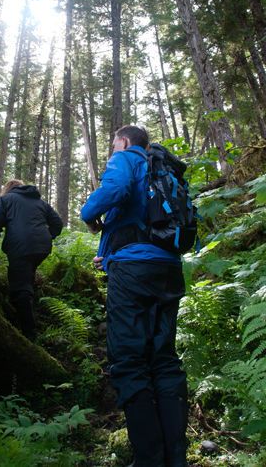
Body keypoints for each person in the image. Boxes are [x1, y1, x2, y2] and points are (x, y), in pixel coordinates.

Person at [81, 125, 188, 467]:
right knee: (164, 360)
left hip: (133, 275)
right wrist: (110, 255)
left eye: (114, 144)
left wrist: (87, 214)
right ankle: (176, 458)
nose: (113, 149)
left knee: (128, 361)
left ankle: (149, 460)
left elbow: (115, 189)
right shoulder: (163, 170)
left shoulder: (126, 158)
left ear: (124, 142)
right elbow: (146, 222)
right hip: (167, 270)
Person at [0, 179, 63, 341]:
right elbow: (57, 224)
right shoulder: (40, 202)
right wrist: (47, 236)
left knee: (20, 288)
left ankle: (29, 335)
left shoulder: (5, 200)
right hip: (42, 248)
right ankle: (27, 310)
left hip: (20, 247)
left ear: (7, 189)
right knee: (26, 277)